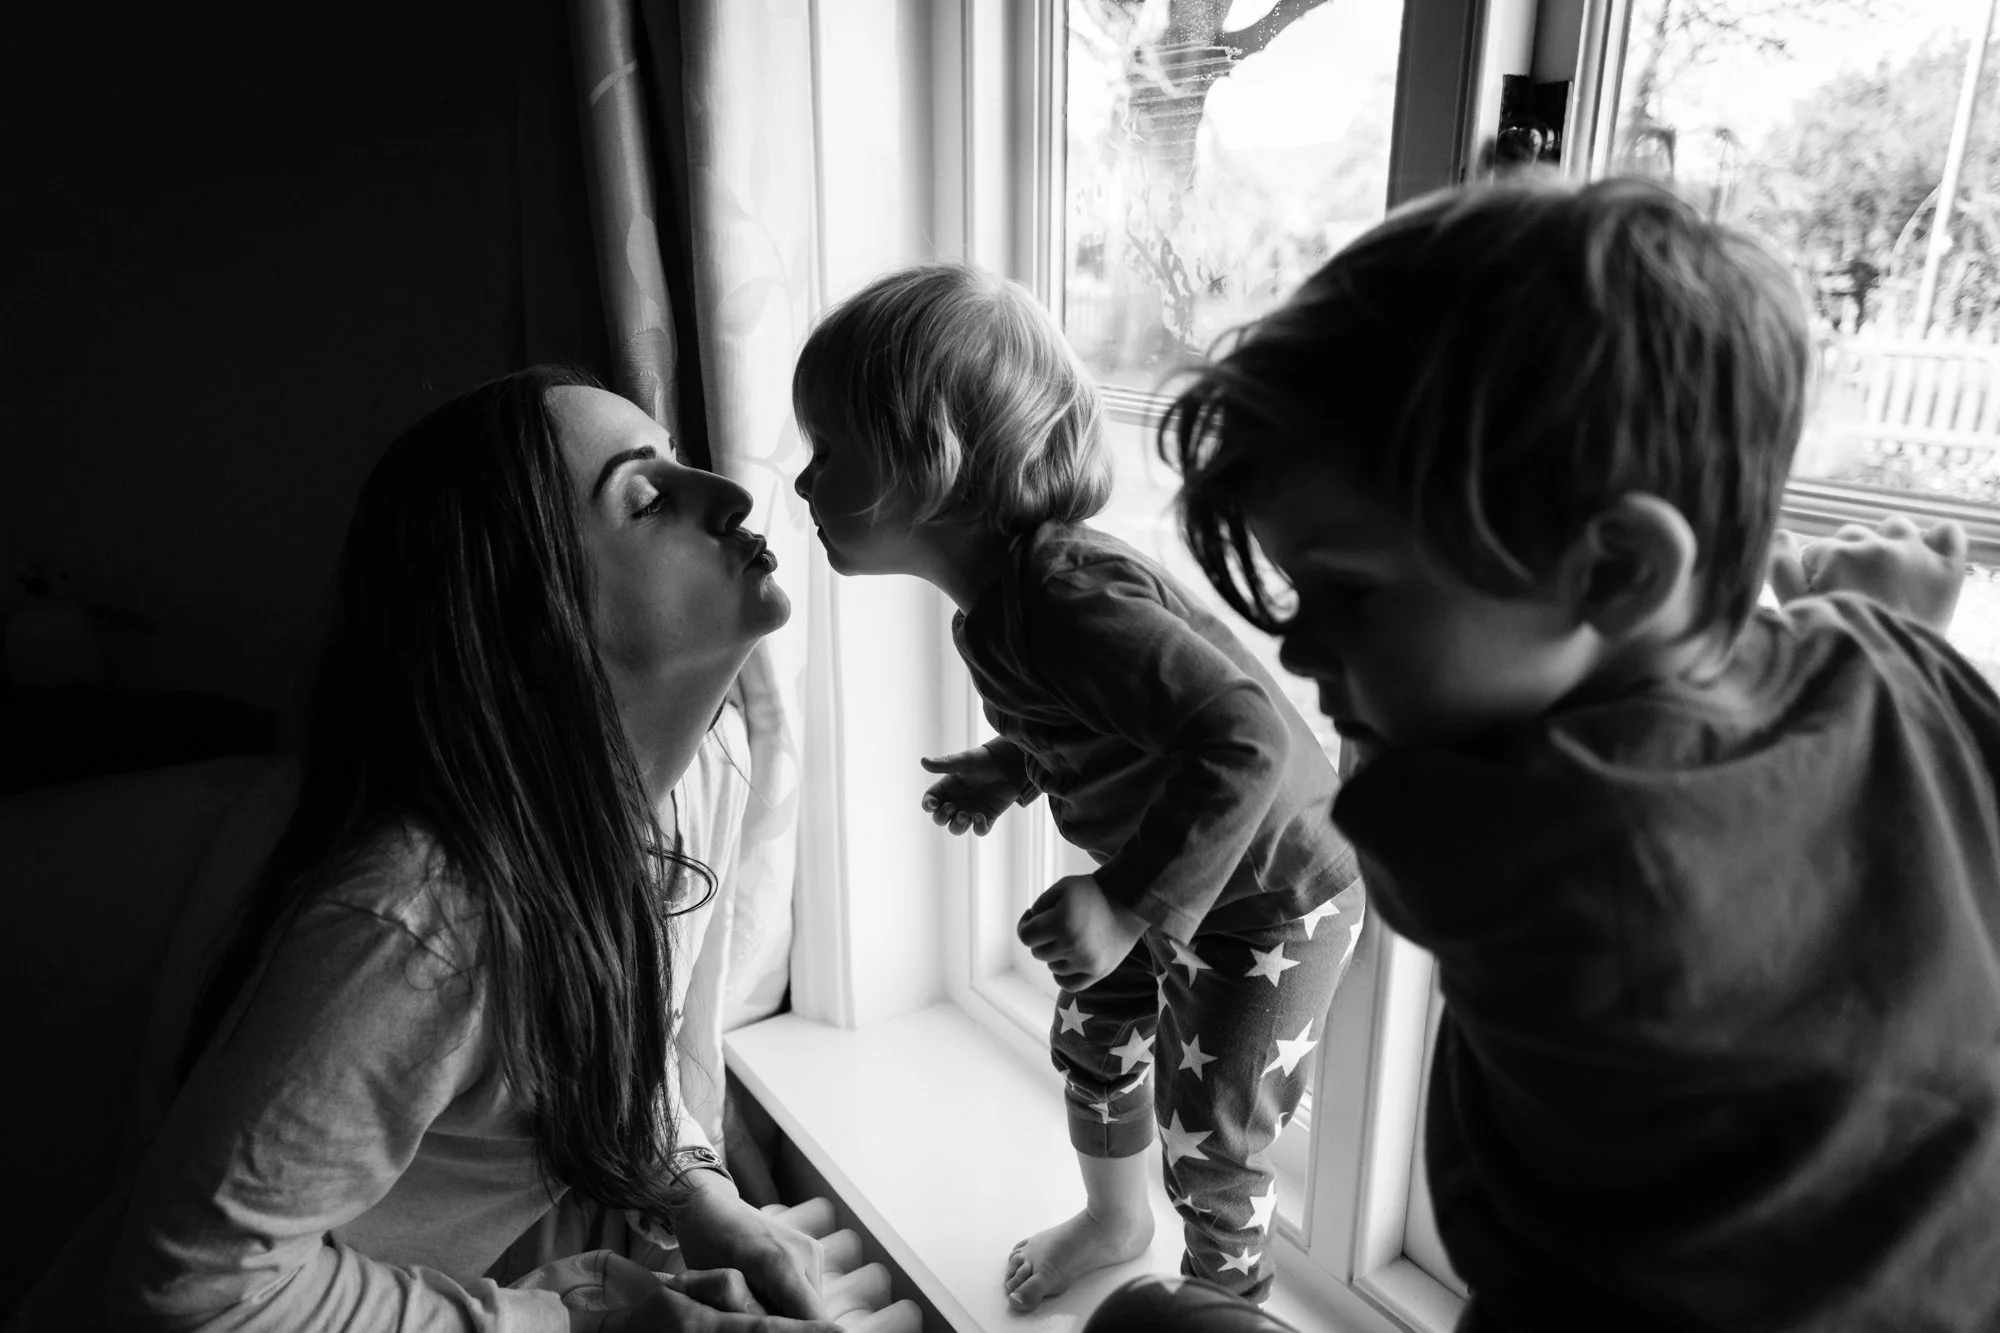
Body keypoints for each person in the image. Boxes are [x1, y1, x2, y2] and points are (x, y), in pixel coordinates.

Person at [1164, 173, 2000, 1330]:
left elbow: (1409, 826)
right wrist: (1887, 627)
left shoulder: (1539, 849)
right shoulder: (1894, 678)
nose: (1299, 644)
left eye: (1346, 590)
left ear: (1613, 572)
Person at [14, 367, 839, 1333]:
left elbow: (624, 1039)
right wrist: (575, 1323)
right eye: (648, 498)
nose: (733, 493)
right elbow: (191, 1290)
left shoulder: (710, 770)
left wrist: (706, 1199)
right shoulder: (424, 919)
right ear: (541, 617)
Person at [789, 265, 1365, 1309]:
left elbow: (1244, 737)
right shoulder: (999, 606)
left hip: (1274, 895)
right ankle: (1113, 1219)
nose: (800, 483)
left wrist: (1123, 898)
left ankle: (1216, 1310)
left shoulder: (1061, 600)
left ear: (928, 460)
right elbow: (1091, 715)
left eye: (825, 450)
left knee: (1217, 1136)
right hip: (1178, 868)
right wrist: (1011, 767)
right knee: (1094, 1022)